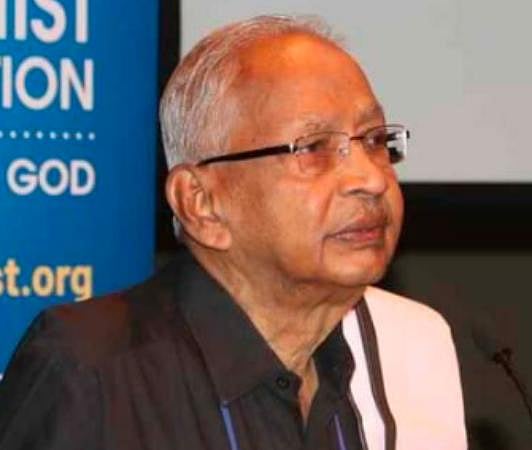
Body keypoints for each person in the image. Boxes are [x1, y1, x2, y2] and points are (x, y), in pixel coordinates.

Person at [0, 15, 466, 450]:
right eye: (313, 148)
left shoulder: (374, 367)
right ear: (200, 203)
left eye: (375, 140)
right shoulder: (91, 373)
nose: (371, 178)